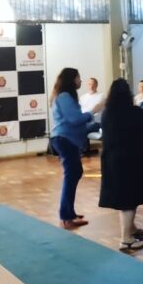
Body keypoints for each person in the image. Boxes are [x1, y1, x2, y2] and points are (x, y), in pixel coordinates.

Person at [99, 79, 143, 251]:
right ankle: (126, 239)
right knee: (129, 199)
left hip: (111, 160)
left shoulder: (106, 113)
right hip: (131, 160)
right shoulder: (134, 112)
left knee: (124, 197)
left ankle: (132, 229)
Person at [50, 68, 103, 229]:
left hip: (67, 139)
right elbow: (74, 119)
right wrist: (94, 111)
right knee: (71, 175)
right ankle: (66, 217)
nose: (81, 81)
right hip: (65, 139)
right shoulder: (65, 96)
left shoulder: (64, 96)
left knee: (74, 174)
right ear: (71, 79)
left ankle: (69, 212)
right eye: (79, 78)